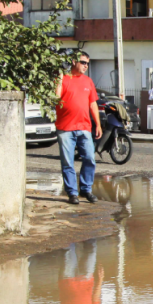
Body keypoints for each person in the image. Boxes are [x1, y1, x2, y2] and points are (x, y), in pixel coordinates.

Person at [56, 51, 102, 205]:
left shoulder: (88, 81)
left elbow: (92, 103)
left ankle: (86, 189)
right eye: (83, 62)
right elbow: (55, 98)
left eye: (87, 63)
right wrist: (60, 77)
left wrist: (98, 124)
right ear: (74, 61)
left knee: (89, 158)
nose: (86, 66)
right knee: (68, 162)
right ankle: (72, 193)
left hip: (84, 127)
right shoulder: (64, 78)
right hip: (65, 127)